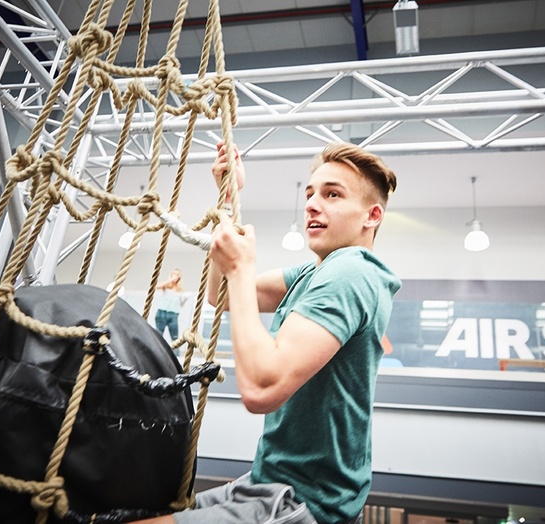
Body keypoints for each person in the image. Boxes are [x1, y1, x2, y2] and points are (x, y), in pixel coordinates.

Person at [134, 140, 400, 524]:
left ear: (371, 215)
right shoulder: (315, 272)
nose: (311, 203)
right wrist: (229, 198)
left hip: (308, 502)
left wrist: (242, 269)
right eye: (310, 193)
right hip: (267, 481)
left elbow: (262, 388)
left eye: (332, 194)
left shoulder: (353, 271)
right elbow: (220, 295)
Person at [154, 268, 187, 341]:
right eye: (174, 273)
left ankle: (175, 352)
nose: (175, 275)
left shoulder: (180, 291)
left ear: (179, 277)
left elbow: (181, 304)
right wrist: (171, 280)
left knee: (175, 338)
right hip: (161, 313)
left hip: (173, 314)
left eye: (177, 274)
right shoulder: (166, 287)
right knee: (158, 336)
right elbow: (156, 286)